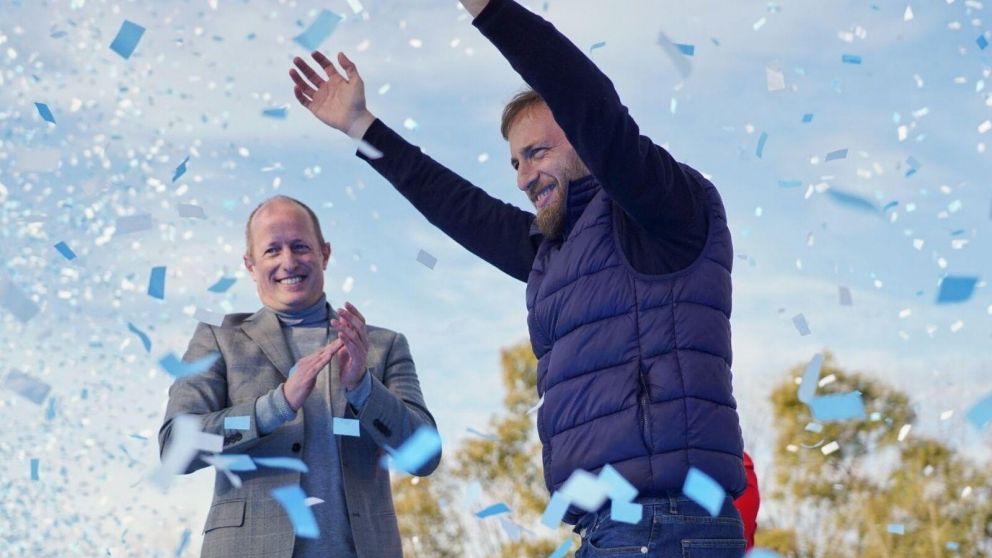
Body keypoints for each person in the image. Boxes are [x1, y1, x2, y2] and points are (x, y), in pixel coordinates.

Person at [290, 0, 748, 554]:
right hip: (610, 529)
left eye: (537, 152)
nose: (525, 177)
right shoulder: (549, 251)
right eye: (515, 163)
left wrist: (488, 9)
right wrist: (362, 126)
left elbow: (590, 104)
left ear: (582, 139)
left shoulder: (663, 213)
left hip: (669, 524)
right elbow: (456, 204)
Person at [158, 195, 439, 558]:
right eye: (272, 250)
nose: (288, 261)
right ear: (250, 263)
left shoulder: (382, 346)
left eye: (300, 247)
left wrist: (364, 389)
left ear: (324, 253)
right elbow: (174, 449)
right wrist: (275, 406)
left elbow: (425, 456)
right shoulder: (219, 336)